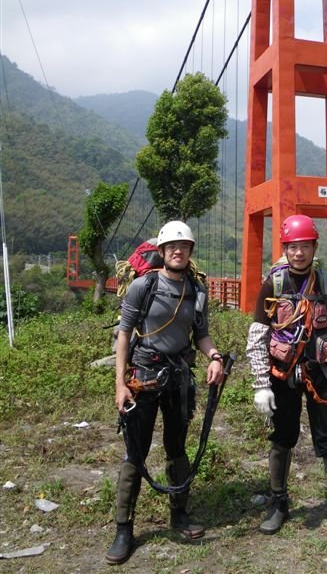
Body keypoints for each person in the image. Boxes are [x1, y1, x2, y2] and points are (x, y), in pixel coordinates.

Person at [106, 221, 225, 565]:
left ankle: (180, 514)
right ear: (161, 252)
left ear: (190, 252)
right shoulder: (143, 286)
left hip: (177, 379)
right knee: (135, 452)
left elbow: (200, 334)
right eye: (172, 247)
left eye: (184, 247)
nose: (178, 251)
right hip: (142, 378)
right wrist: (119, 383)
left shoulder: (196, 291)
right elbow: (124, 334)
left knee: (176, 448)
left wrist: (214, 356)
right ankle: (124, 528)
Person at [245, 214, 327, 552]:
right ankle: (278, 504)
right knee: (282, 437)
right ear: (285, 249)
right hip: (282, 378)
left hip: (321, 376)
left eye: (304, 246)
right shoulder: (273, 286)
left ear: (313, 247)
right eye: (293, 247)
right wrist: (260, 384)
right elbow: (258, 337)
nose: (298, 253)